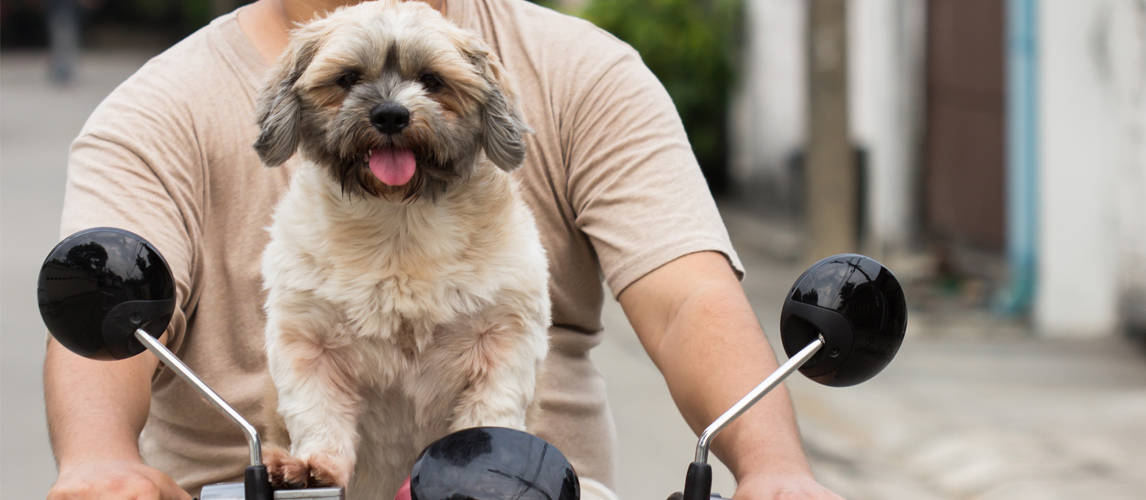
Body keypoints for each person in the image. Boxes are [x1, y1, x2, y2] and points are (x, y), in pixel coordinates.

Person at [44, 1, 844, 499]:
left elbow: (686, 295)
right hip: (257, 485)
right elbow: (104, 296)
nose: (392, 108)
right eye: (348, 80)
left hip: (529, 488)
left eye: (429, 85)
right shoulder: (157, 108)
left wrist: (772, 466)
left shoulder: (584, 71)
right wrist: (96, 459)